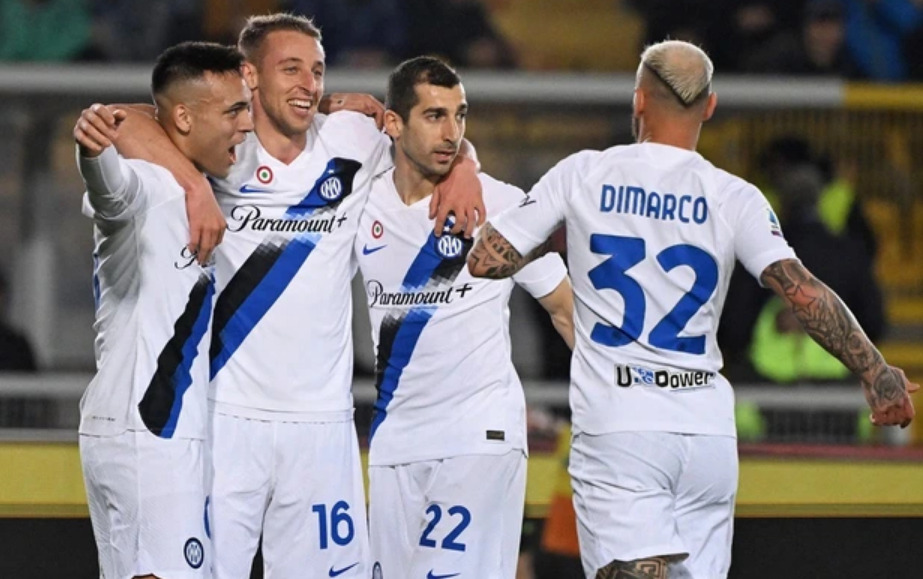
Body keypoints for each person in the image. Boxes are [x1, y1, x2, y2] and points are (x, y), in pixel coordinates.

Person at [467, 39, 918, 579]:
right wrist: (875, 372)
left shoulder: (584, 174)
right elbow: (802, 291)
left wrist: (542, 230)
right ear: (710, 107)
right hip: (706, 432)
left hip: (622, 425)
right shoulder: (735, 196)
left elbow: (487, 261)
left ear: (638, 100)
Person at [112, 13, 484, 578]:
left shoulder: (353, 138)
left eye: (317, 71)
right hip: (225, 417)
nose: (309, 84)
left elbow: (436, 137)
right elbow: (118, 120)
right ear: (249, 76)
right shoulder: (221, 149)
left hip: (323, 425)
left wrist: (465, 169)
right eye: (291, 69)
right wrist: (193, 186)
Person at [355, 56, 574, 579]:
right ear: (393, 123)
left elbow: (565, 310)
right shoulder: (361, 202)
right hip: (394, 439)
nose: (452, 133)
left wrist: (621, 401)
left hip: (478, 435)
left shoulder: (501, 204)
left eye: (460, 116)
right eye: (434, 116)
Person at [73, 41, 252, 579]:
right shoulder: (149, 186)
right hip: (146, 431)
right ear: (184, 118)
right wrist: (93, 153)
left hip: (146, 430)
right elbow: (112, 191)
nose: (246, 125)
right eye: (234, 111)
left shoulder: (196, 183)